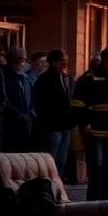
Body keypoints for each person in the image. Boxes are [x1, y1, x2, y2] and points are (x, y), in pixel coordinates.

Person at [71, 47, 108, 201]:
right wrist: (85, 124)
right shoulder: (89, 79)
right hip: (94, 132)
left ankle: (106, 203)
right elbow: (77, 105)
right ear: (105, 61)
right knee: (96, 169)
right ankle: (93, 204)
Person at [33, 48, 75, 177]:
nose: (65, 63)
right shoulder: (45, 79)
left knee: (61, 160)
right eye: (62, 61)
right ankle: (46, 187)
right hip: (51, 126)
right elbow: (40, 102)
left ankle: (57, 185)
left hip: (65, 125)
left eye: (66, 61)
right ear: (53, 62)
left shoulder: (66, 78)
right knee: (50, 159)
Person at [1, 45, 35, 152]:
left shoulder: (24, 78)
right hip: (10, 127)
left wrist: (31, 112)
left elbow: (31, 97)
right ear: (13, 60)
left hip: (25, 126)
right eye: (22, 60)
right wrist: (18, 114)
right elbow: (3, 100)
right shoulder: (3, 76)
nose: (24, 63)